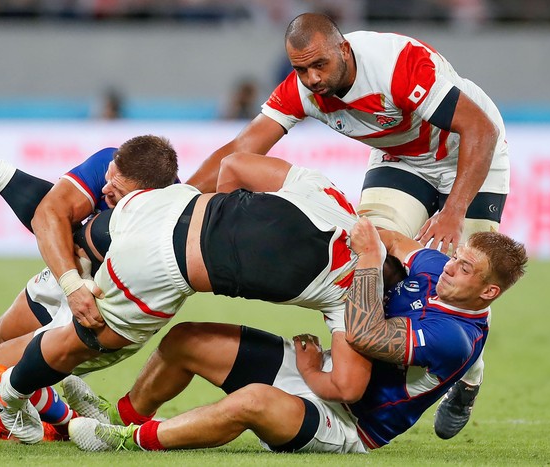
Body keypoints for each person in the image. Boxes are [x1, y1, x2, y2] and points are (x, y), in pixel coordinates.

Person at [185, 12, 510, 439]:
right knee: (366, 257)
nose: (311, 78)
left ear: (343, 50)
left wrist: (453, 209)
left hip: (472, 154)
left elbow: (479, 130)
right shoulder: (302, 87)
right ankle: (355, 377)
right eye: (300, 69)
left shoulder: (395, 65)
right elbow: (242, 148)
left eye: (319, 65)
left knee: (464, 277)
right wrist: (178, 201)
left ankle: (468, 379)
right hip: (403, 160)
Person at [0, 151, 375, 444]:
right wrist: (308, 368)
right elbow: (347, 388)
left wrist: (224, 220)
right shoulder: (353, 297)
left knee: (81, 234)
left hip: (165, 203)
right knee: (88, 338)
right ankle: (13, 396)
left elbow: (234, 165)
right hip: (157, 267)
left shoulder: (328, 193)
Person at [65, 219, 527, 453]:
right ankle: (120, 412)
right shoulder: (433, 268)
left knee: (253, 401)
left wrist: (368, 259)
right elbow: (391, 238)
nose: (450, 267)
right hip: (324, 369)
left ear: (487, 291)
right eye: (456, 257)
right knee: (186, 338)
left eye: (465, 268)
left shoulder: (455, 338)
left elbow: (365, 335)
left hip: (348, 422)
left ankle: (130, 439)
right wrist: (348, 227)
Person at [0, 131, 179, 441]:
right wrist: (73, 281)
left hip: (113, 304)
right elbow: (50, 212)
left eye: (116, 190)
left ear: (147, 196)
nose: (104, 189)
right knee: (5, 334)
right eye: (108, 178)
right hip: (78, 274)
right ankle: (67, 423)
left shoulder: (165, 221)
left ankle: (21, 423)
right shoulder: (112, 160)